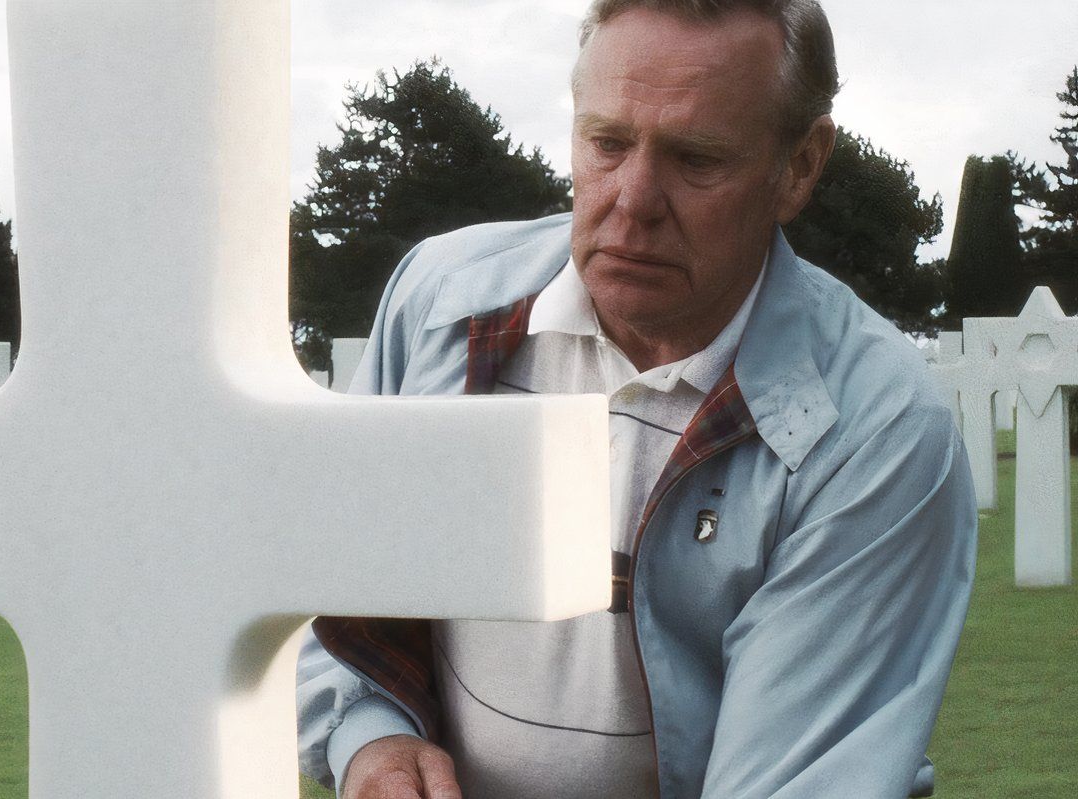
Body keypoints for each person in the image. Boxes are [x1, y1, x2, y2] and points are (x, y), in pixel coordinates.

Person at [297, 2, 977, 798]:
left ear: (799, 165)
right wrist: (371, 736)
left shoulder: (876, 429)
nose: (634, 198)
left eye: (696, 158)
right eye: (608, 143)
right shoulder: (440, 304)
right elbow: (339, 578)